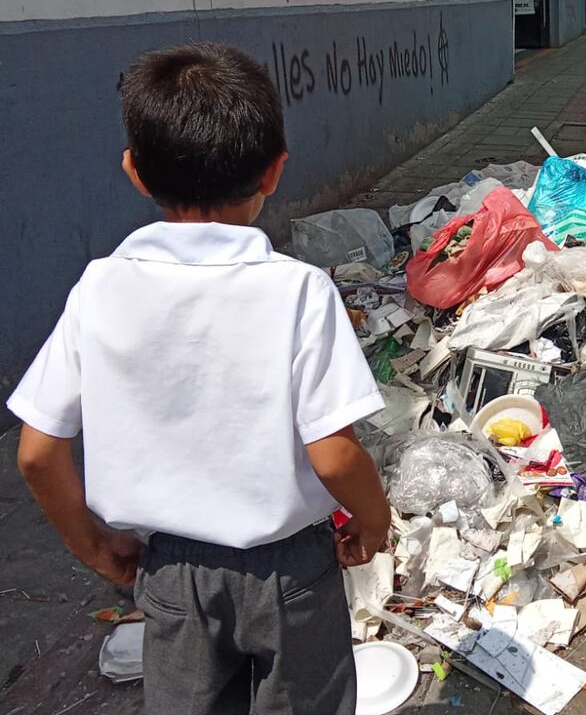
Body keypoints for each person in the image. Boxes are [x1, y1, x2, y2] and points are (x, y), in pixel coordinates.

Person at [9, 43, 390, 715]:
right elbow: (333, 453)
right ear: (274, 171)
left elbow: (38, 451)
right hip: (290, 572)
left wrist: (92, 544)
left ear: (134, 171)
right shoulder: (299, 290)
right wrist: (374, 521)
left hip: (172, 574)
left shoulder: (99, 289)